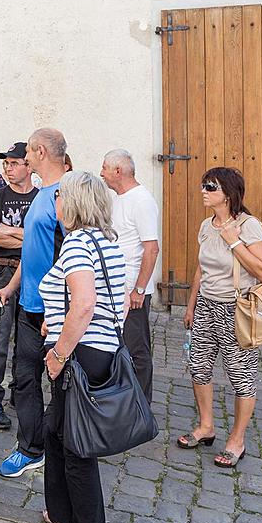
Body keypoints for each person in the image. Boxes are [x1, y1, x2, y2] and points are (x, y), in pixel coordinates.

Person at [37, 170, 125, 523]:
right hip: (94, 351)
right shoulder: (105, 240)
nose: (54, 203)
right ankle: (62, 513)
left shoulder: (75, 244)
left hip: (77, 355)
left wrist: (58, 353)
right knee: (56, 432)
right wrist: (54, 319)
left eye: (58, 197)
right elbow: (104, 301)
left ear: (72, 203)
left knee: (76, 446)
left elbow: (85, 305)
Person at [178, 167, 262, 468]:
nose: (203, 191)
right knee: (199, 368)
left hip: (237, 309)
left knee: (241, 377)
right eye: (203, 185)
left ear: (228, 194)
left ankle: (237, 440)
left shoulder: (248, 225)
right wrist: (191, 306)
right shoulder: (206, 225)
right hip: (206, 306)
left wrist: (234, 241)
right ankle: (206, 427)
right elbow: (200, 269)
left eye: (210, 187)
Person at [0, 128, 67, 477]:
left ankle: (68, 445)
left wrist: (60, 310)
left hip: (53, 312)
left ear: (39, 152)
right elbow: (32, 249)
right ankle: (30, 447)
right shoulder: (40, 195)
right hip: (27, 303)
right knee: (24, 379)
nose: (23, 160)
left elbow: (74, 257)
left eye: (28, 154)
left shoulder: (66, 194)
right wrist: (11, 287)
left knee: (61, 382)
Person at [0, 142, 37, 430]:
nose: (8, 169)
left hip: (31, 276)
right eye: (6, 164)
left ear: (29, 166)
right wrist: (26, 238)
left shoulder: (41, 198)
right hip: (1, 272)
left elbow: (42, 241)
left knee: (27, 342)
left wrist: (11, 231)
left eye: (14, 163)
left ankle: (20, 391)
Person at [100, 149, 160, 401]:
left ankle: (141, 404)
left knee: (137, 348)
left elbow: (151, 248)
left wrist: (139, 289)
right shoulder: (117, 198)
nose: (101, 173)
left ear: (118, 171)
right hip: (116, 286)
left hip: (132, 289)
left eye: (104, 168)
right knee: (117, 344)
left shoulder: (142, 200)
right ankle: (121, 398)